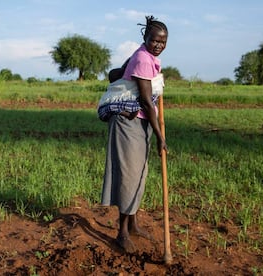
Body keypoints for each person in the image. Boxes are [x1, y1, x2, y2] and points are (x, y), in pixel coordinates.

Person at [100, 15, 168, 253]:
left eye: (163, 41)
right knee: (129, 176)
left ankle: (135, 224)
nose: (158, 45)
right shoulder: (142, 58)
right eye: (154, 40)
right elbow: (148, 104)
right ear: (145, 37)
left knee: (140, 172)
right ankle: (122, 233)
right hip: (128, 124)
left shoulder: (143, 55)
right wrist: (161, 137)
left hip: (139, 123)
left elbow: (115, 73)